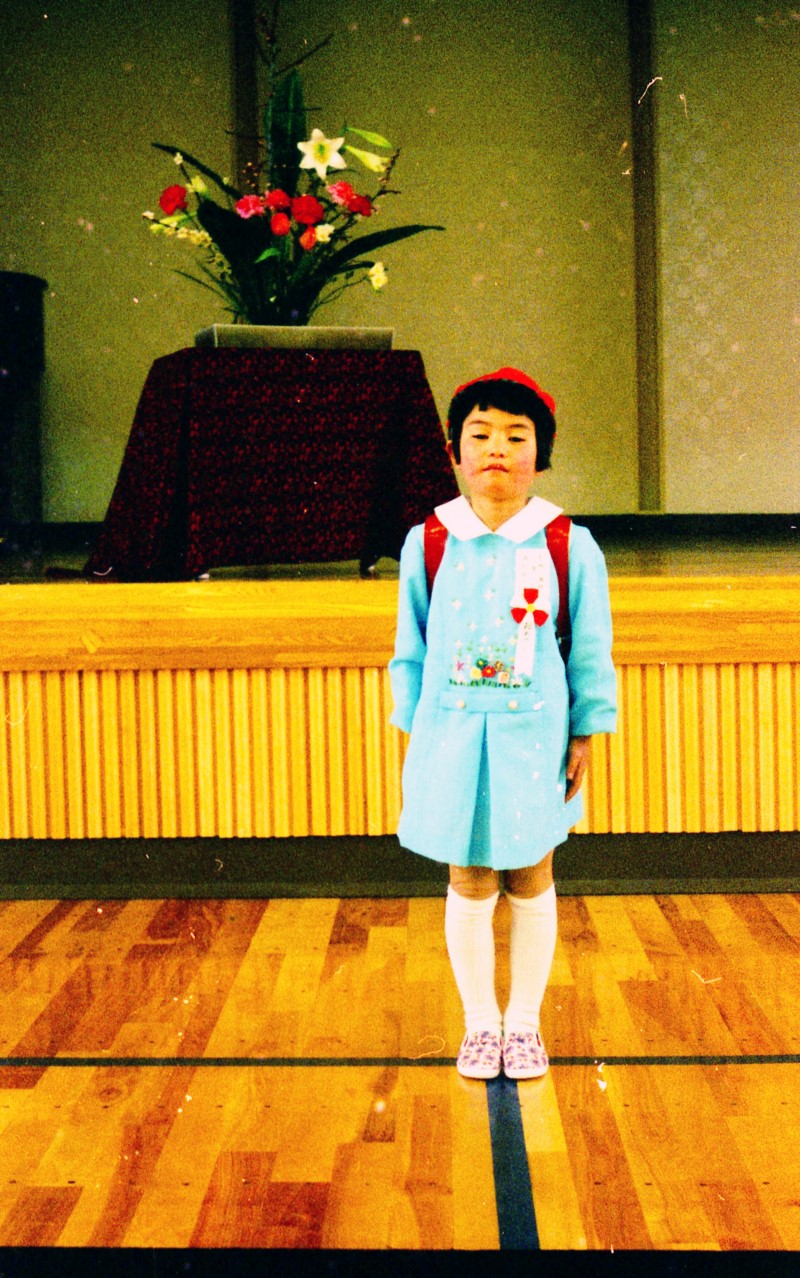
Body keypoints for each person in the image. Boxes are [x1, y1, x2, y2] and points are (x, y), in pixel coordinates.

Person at [389, 367, 617, 1080]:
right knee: (469, 878)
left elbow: (589, 648)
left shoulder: (567, 544)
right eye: (480, 433)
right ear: (455, 452)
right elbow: (409, 648)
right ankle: (480, 1024)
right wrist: (416, 734)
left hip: (532, 739)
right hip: (453, 738)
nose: (497, 448)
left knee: (530, 875)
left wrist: (584, 732)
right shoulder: (428, 541)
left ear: (540, 456)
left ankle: (523, 1025)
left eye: (517, 437)